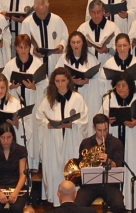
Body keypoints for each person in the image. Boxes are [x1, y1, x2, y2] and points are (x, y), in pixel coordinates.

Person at [98, 74, 136, 210]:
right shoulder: (109, 100)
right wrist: (107, 120)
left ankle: (132, 202)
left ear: (130, 86)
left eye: (124, 85)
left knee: (132, 167)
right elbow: (100, 119)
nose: (121, 88)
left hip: (133, 140)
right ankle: (115, 201)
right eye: (118, 85)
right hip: (115, 140)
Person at [36, 67, 89, 207]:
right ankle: (56, 202)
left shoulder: (77, 98)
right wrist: (47, 125)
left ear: (68, 81)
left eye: (63, 81)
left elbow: (84, 120)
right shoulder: (48, 99)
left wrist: (72, 125)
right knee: (54, 170)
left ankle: (72, 202)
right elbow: (39, 118)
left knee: (70, 171)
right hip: (53, 141)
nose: (60, 84)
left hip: (71, 141)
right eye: (57, 81)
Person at [1, 34, 47, 169]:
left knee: (32, 131)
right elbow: (1, 85)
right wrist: (10, 87)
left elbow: (46, 86)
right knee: (18, 131)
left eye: (26, 47)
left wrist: (35, 87)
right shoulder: (10, 65)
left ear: (30, 48)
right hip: (15, 104)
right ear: (16, 48)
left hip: (32, 104)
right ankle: (16, 165)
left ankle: (32, 164)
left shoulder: (38, 64)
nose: (23, 50)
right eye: (20, 47)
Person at [73, 114, 125, 212]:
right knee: (77, 206)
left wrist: (108, 160)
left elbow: (119, 166)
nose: (103, 133)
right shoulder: (86, 143)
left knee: (119, 206)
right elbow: (81, 165)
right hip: (89, 185)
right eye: (99, 130)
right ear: (94, 128)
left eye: (105, 130)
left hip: (110, 185)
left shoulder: (116, 143)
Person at [54, 31, 102, 118]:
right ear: (70, 44)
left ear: (83, 43)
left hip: (87, 94)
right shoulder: (64, 59)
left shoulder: (91, 59)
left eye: (78, 42)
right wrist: (70, 80)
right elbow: (56, 76)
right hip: (69, 95)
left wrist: (88, 81)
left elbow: (100, 79)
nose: (76, 45)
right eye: (73, 42)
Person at [0, 123, 30, 213]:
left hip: (16, 186)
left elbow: (23, 175)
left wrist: (16, 192)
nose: (5, 140)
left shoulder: (21, 150)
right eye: (3, 137)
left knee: (16, 209)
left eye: (9, 137)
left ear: (13, 137)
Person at [18, 0, 68, 68]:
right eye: (39, 13)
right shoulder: (27, 23)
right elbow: (23, 42)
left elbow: (65, 37)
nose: (42, 16)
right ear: (34, 9)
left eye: (45, 12)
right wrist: (32, 51)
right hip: (36, 61)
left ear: (48, 7)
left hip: (54, 60)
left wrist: (61, 46)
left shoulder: (57, 20)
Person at [77, 0, 121, 65]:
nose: (96, 15)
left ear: (103, 12)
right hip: (88, 67)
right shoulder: (82, 28)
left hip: (108, 66)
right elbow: (75, 49)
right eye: (93, 12)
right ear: (89, 13)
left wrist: (107, 50)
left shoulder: (113, 27)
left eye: (98, 12)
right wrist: (84, 46)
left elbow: (121, 49)